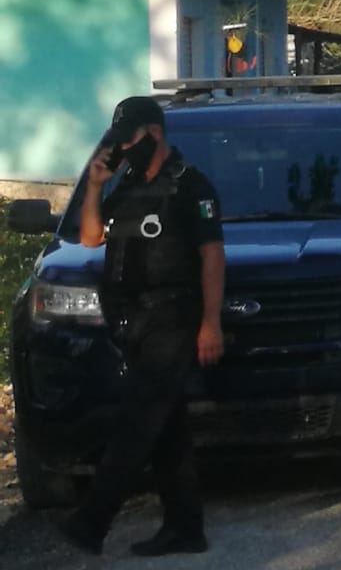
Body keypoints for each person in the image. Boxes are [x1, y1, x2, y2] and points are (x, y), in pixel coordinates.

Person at [61, 96, 225, 557]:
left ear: (153, 133)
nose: (121, 149)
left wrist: (210, 323)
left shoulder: (192, 187)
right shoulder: (127, 186)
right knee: (166, 428)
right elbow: (91, 237)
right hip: (133, 322)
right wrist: (95, 186)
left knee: (136, 424)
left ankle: (91, 522)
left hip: (173, 318)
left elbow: (212, 256)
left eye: (127, 139)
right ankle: (185, 528)